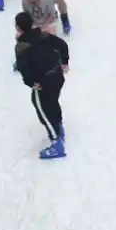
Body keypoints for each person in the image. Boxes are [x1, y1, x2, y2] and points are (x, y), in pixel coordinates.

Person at [14, 11, 70, 160]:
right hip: (57, 75)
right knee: (52, 101)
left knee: (41, 107)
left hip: (44, 81)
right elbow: (62, 45)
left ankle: (56, 141)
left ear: (18, 28)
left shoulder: (21, 46)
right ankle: (58, 125)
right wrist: (64, 62)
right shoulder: (43, 35)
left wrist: (31, 83)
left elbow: (23, 67)